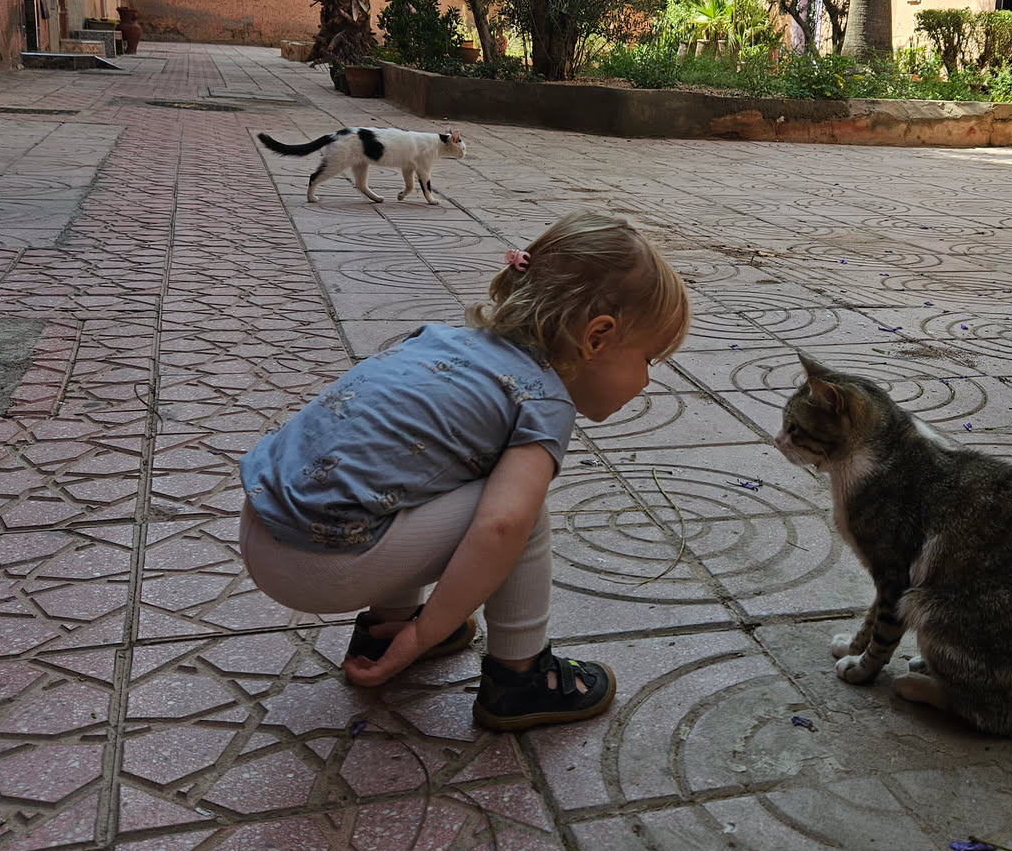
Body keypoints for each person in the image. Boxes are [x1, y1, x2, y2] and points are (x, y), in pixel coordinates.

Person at [237, 211, 690, 730]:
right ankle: (519, 677)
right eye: (649, 360)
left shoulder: (440, 339)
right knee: (521, 516)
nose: (647, 380)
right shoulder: (541, 399)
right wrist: (424, 635)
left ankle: (385, 628)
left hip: (261, 525)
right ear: (597, 338)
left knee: (413, 474)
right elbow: (501, 527)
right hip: (318, 565)